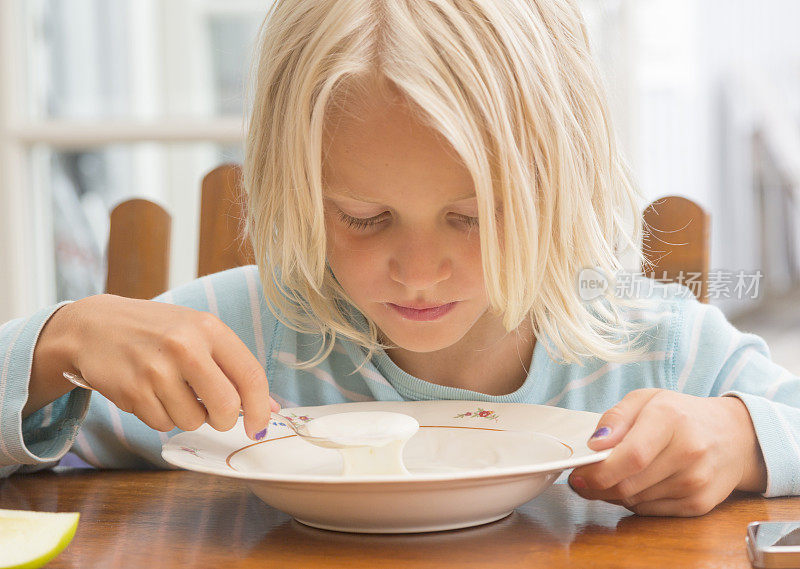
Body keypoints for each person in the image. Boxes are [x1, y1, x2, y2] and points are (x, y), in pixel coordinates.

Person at [2, 0, 798, 517]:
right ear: (297, 191)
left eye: (473, 215)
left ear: (561, 182)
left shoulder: (653, 344)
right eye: (364, 217)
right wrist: (55, 347)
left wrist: (742, 438)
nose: (419, 271)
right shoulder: (231, 338)